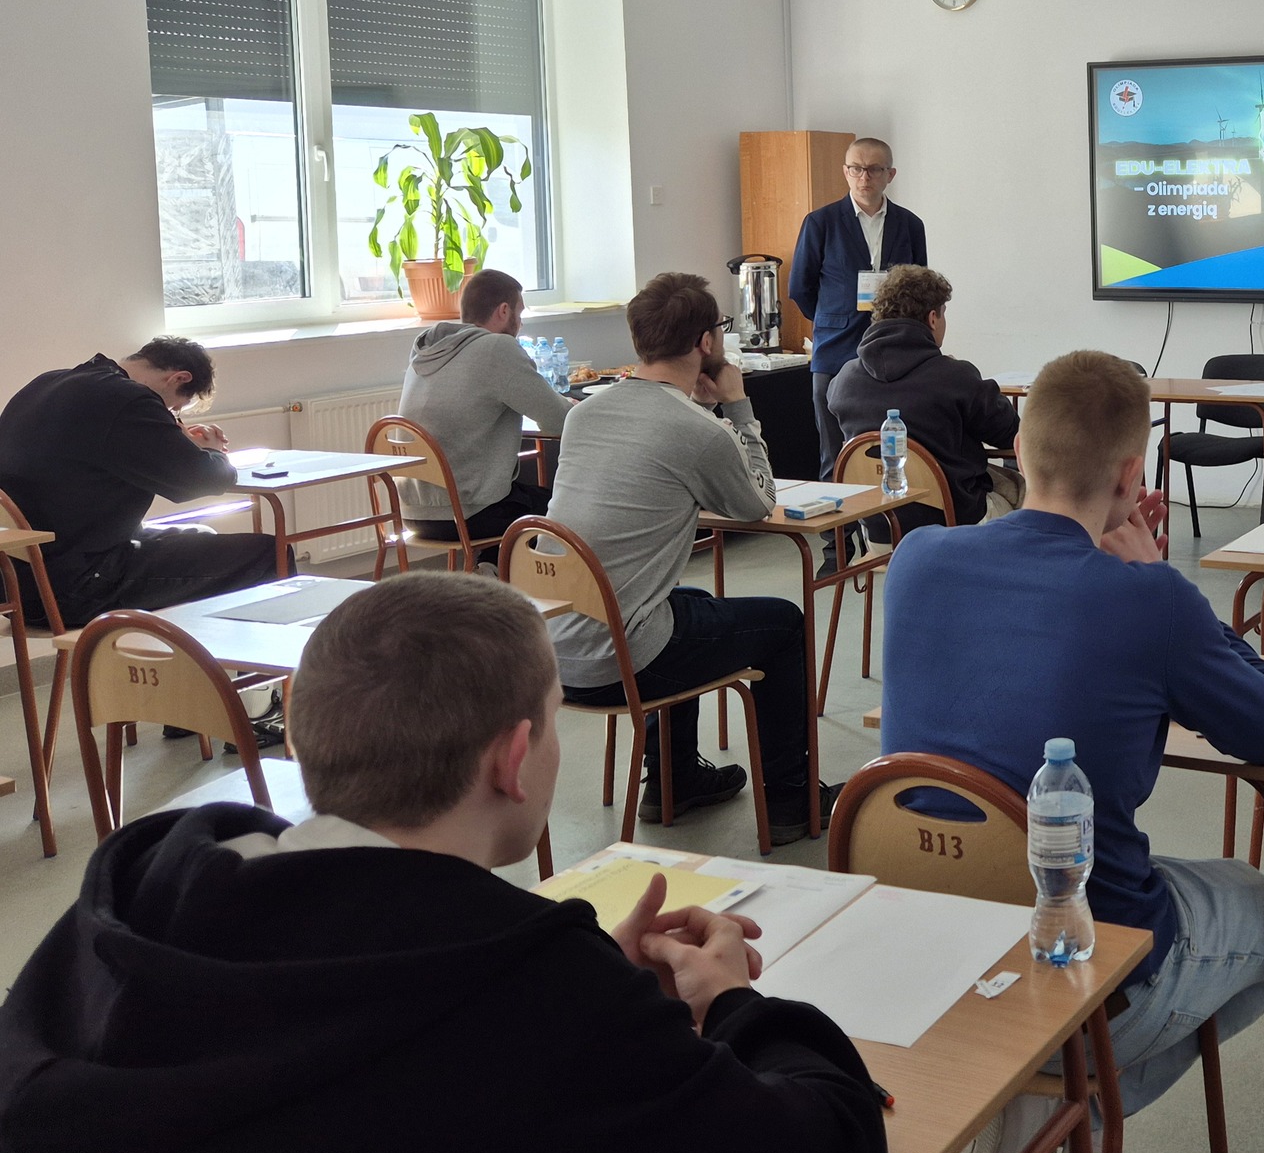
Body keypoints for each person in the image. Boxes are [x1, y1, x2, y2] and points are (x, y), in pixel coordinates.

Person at [0, 570, 888, 1153]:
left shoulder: (135, 900)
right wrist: (731, 1003)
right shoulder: (540, 994)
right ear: (514, 760)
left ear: (302, 734)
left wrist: (597, 988)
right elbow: (828, 1147)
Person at [881, 349, 1264, 1153]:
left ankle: (1038, 1109)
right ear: (1130, 474)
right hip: (1078, 955)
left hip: (928, 950)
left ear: (1019, 451)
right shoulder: (1151, 599)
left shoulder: (917, 559)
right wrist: (1162, 582)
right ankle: (1074, 1105)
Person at [545, 272, 837, 843]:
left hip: (558, 648)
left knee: (688, 601)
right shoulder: (697, 429)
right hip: (622, 662)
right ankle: (790, 800)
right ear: (706, 342)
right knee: (784, 624)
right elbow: (757, 503)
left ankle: (674, 781)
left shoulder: (582, 414)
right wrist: (738, 408)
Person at [0, 336, 280, 627]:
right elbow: (199, 480)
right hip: (77, 587)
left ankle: (179, 651)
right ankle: (263, 655)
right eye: (175, 409)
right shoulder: (128, 399)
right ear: (179, 378)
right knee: (268, 554)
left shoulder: (47, 384)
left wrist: (177, 442)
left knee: (199, 535)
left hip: (19, 583)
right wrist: (214, 453)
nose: (170, 416)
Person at [826, 264, 1022, 540]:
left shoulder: (844, 380)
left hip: (879, 531)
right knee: (1026, 495)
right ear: (932, 318)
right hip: (955, 527)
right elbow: (1010, 433)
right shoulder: (954, 376)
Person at [396, 267, 573, 546]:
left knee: (526, 496)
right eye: (519, 313)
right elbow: (558, 419)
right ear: (504, 311)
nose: (520, 323)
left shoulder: (428, 350)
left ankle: (489, 565)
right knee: (571, 509)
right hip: (470, 512)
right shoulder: (497, 348)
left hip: (412, 512)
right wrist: (574, 405)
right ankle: (507, 569)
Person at [789, 137, 929, 480]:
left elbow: (920, 287)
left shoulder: (910, 224)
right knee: (833, 448)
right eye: (856, 169)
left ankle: (889, 508)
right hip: (834, 347)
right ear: (845, 172)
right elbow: (800, 288)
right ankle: (835, 513)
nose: (864, 177)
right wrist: (833, 319)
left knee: (890, 444)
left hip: (895, 348)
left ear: (890, 174)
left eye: (874, 169)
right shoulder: (820, 222)